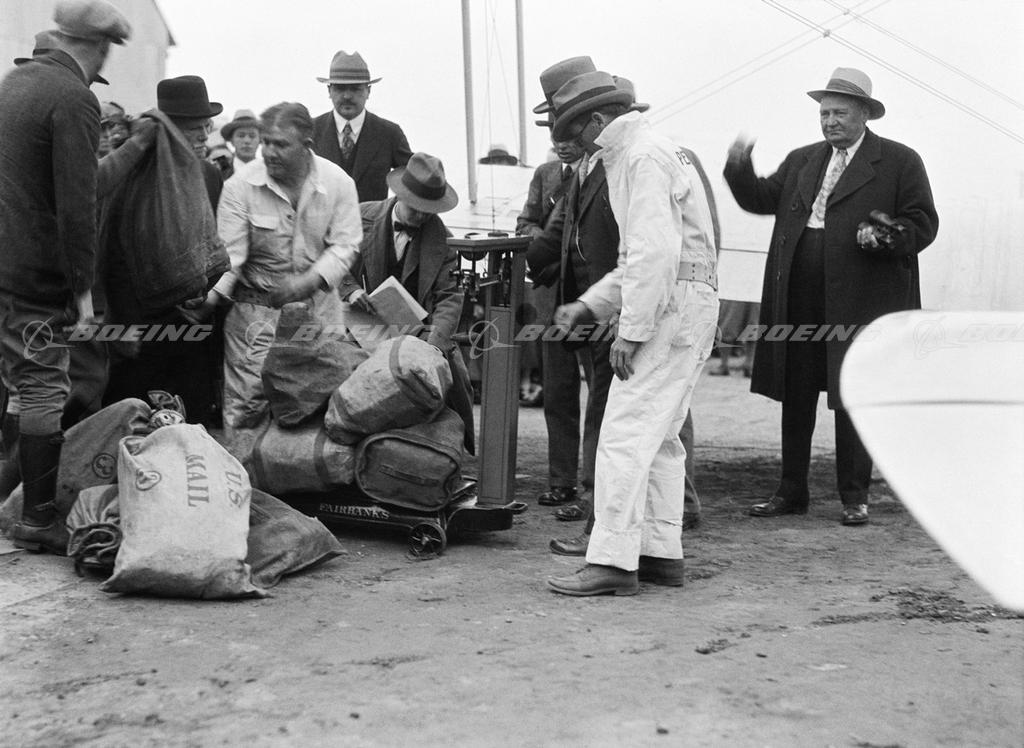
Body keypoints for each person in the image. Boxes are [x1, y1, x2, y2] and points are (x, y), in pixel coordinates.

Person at [723, 67, 938, 526]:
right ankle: (791, 491)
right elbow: (761, 199)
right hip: (798, 292)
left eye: (839, 113)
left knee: (853, 389)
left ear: (864, 114)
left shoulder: (900, 161)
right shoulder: (803, 159)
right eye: (824, 113)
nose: (830, 121)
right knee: (796, 388)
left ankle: (854, 496)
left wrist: (889, 235)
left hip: (863, 297)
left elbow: (922, 223)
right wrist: (738, 169)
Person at [545, 71, 719, 596]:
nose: (572, 142)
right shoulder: (647, 151)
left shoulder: (641, 157)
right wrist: (589, 304)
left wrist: (632, 330)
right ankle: (660, 553)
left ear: (599, 119)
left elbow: (652, 254)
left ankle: (613, 561)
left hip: (671, 304)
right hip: (689, 299)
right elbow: (641, 256)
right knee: (661, 438)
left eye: (574, 129)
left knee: (621, 435)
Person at [0, 0, 131, 554]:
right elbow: (79, 207)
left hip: (4, 265)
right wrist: (82, 292)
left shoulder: (12, 85)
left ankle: (11, 498)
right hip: (34, 274)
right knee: (42, 386)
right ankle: (37, 516)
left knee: (16, 384)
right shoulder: (74, 98)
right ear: (97, 46)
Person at [212, 102, 362, 459]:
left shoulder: (339, 183)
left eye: (280, 144)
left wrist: (308, 281)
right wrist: (211, 295)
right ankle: (243, 480)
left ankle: (312, 482)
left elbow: (346, 244)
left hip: (318, 312)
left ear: (307, 145)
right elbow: (229, 257)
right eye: (265, 141)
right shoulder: (239, 186)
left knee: (324, 399)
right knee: (246, 405)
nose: (268, 151)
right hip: (256, 313)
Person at [101, 75, 225, 424]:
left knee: (190, 419)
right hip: (140, 325)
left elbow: (214, 245)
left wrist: (206, 296)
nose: (203, 136)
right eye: (193, 128)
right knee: (134, 420)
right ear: (169, 131)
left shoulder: (209, 174)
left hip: (192, 323)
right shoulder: (134, 172)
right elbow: (112, 254)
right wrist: (122, 326)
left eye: (206, 126)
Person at [341, 152, 475, 451]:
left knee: (446, 381)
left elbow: (450, 298)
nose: (422, 217)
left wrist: (432, 346)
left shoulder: (445, 240)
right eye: (416, 208)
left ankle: (434, 452)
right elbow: (334, 260)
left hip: (417, 335)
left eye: (429, 210)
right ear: (399, 195)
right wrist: (351, 290)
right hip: (360, 327)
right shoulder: (359, 217)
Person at [312, 50, 412, 201]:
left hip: (371, 217)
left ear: (368, 91)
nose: (347, 96)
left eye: (355, 88)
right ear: (329, 91)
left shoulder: (389, 134)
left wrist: (394, 210)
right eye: (340, 88)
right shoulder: (311, 132)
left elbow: (414, 184)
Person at [220, 108, 261, 176]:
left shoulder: (267, 169)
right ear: (232, 140)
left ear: (260, 140)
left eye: (252, 136)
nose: (247, 141)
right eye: (241, 136)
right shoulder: (221, 167)